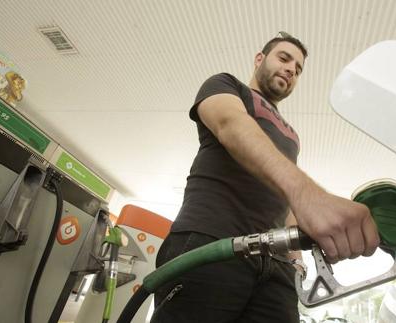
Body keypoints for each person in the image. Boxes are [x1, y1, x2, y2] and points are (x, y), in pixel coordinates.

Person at [150, 32, 380, 323]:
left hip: (276, 261)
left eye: (297, 69)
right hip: (210, 242)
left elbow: (286, 201)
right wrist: (308, 194)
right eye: (284, 58)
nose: (290, 69)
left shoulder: (292, 135)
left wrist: (297, 261)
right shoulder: (227, 85)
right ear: (260, 58)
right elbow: (229, 125)